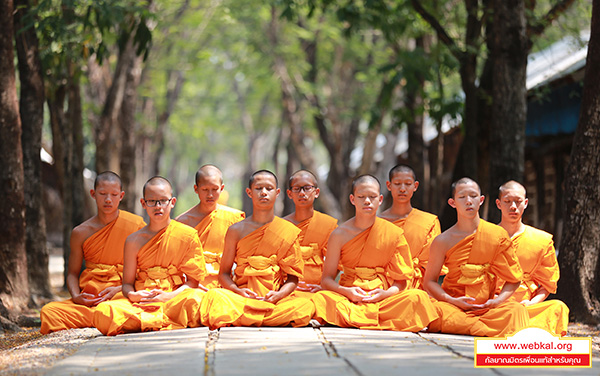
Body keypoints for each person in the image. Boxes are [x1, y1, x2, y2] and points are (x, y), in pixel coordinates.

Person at [312, 175, 438, 331]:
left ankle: (351, 319)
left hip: (381, 299)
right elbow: (326, 280)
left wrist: (385, 294)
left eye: (372, 197)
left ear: (380, 199)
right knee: (321, 298)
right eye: (361, 197)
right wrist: (346, 291)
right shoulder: (338, 235)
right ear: (352, 199)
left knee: (418, 297)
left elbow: (401, 282)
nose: (367, 201)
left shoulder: (393, 233)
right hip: (349, 298)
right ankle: (374, 319)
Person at [199, 170, 315, 329]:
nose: (264, 193)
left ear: (277, 192)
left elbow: (293, 278)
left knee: (305, 305)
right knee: (214, 297)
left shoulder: (287, 230)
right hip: (242, 298)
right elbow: (224, 274)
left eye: (269, 188)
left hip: (274, 301)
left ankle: (248, 318)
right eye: (259, 188)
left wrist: (279, 295)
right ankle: (264, 318)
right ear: (249, 192)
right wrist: (237, 291)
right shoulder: (236, 230)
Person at [93, 176, 206, 336]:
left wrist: (167, 297)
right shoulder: (133, 240)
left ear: (172, 202)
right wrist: (133, 295)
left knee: (196, 300)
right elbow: (127, 284)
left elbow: (193, 282)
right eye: (152, 201)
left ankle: (149, 321)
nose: (157, 206)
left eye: (162, 201)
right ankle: (164, 320)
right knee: (104, 312)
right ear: (143, 203)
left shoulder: (187, 235)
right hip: (143, 300)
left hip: (174, 298)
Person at [40, 172, 145, 334]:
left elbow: (145, 270)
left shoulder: (136, 225)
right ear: (93, 194)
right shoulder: (80, 232)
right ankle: (102, 318)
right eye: (102, 194)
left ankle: (103, 317)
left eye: (114, 195)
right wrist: (76, 296)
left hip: (121, 295)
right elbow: (73, 274)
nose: (108, 199)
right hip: (91, 298)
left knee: (116, 309)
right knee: (49, 312)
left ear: (121, 196)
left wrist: (118, 289)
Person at [423, 177, 529, 337]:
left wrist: (497, 301)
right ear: (452, 203)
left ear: (481, 200)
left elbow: (514, 279)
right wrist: (452, 301)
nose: (468, 201)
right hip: (453, 306)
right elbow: (429, 281)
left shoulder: (497, 235)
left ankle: (469, 327)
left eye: (473, 196)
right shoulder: (442, 240)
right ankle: (482, 329)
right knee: (434, 310)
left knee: (516, 310)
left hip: (487, 307)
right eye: (462, 197)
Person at [495, 180, 569, 336]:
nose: (513, 206)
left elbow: (547, 284)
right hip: (495, 307)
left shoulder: (541, 240)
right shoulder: (487, 235)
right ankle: (524, 328)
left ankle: (518, 326)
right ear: (498, 204)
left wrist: (531, 303)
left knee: (559, 307)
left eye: (518, 201)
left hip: (527, 307)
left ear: (526, 203)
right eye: (507, 201)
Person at [176, 164, 245, 289]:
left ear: (222, 188)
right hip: (194, 284)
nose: (210, 195)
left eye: (214, 189)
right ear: (196, 189)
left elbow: (242, 258)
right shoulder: (183, 221)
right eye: (205, 190)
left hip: (227, 283)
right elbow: (178, 263)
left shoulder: (234, 218)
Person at [379, 164, 442, 290]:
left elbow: (433, 266)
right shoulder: (378, 222)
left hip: (418, 287)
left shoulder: (429, 222)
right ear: (389, 186)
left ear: (415, 186)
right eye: (397, 183)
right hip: (383, 285)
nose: (402, 189)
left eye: (408, 184)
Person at [283, 170, 337, 295]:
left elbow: (336, 263)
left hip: (316, 289)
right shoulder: (280, 226)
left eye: (307, 188)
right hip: (285, 290)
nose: (302, 193)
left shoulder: (327, 224)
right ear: (289, 194)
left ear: (316, 192)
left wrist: (324, 285)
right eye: (297, 189)